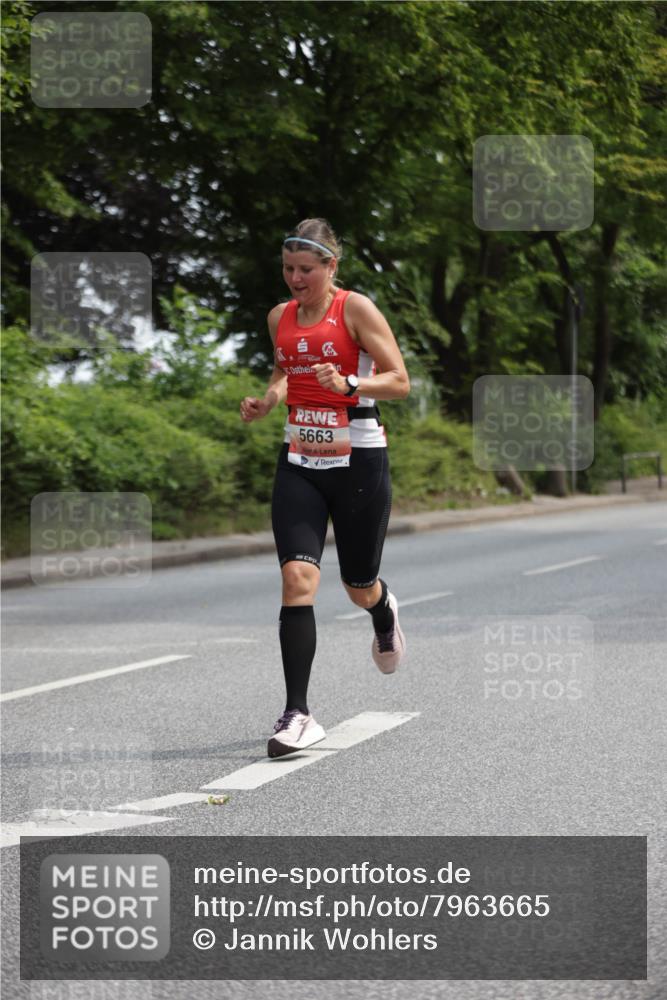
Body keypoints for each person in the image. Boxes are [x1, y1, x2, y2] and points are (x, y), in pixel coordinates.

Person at [240, 218, 410, 758]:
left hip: (359, 460)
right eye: (288, 269)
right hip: (299, 460)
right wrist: (268, 400)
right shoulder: (279, 317)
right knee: (297, 578)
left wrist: (352, 383)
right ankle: (298, 713)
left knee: (358, 586)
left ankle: (383, 613)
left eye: (305, 270)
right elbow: (285, 370)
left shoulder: (355, 310)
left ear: (330, 267)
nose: (295, 279)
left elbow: (400, 380)